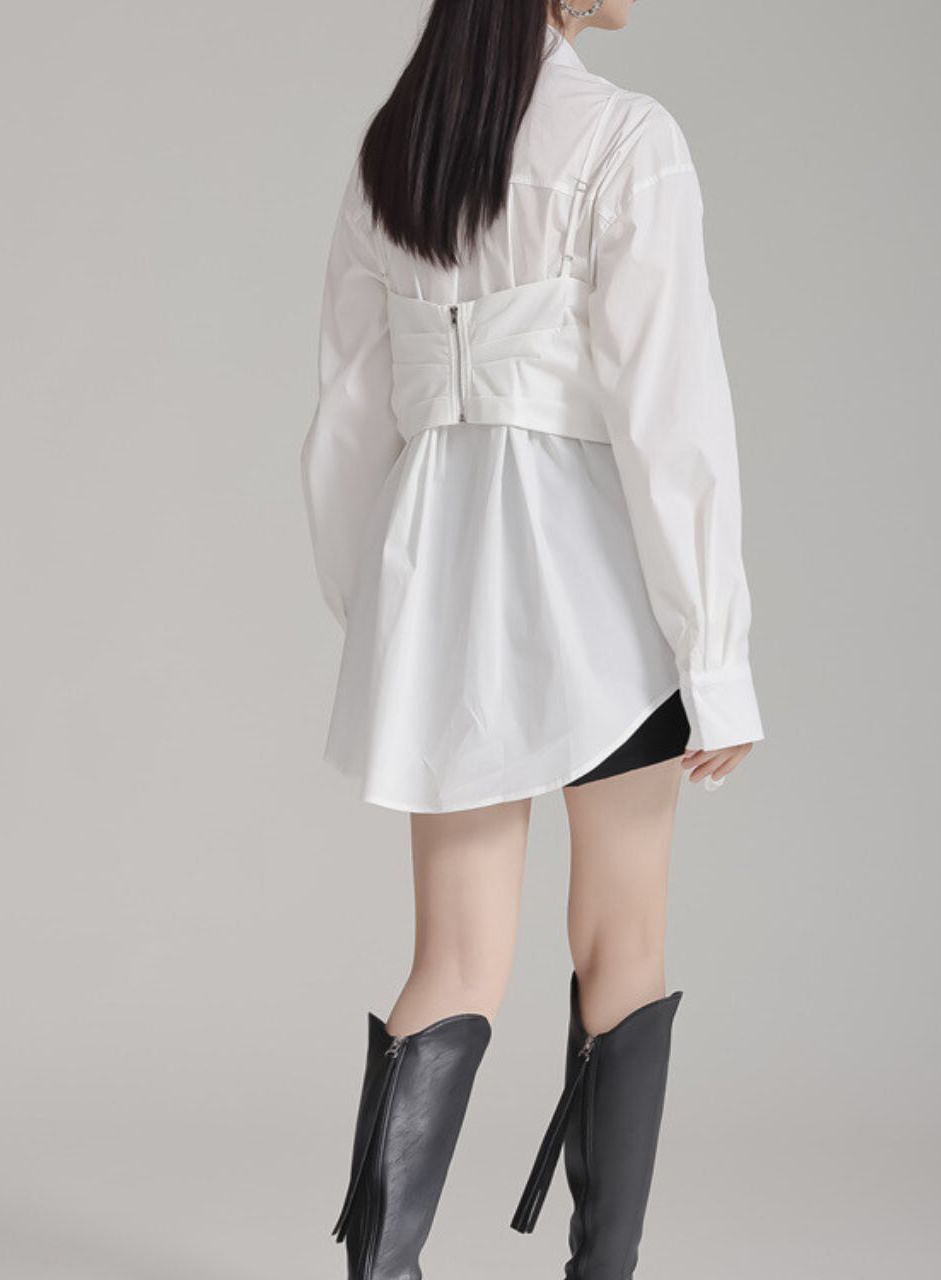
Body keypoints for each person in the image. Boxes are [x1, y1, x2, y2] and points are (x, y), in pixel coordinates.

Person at [301, 0, 765, 1275]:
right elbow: (673, 420)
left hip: (440, 588)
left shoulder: (394, 151)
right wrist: (714, 653)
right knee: (621, 946)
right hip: (597, 593)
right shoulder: (624, 140)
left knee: (451, 957)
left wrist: (379, 612)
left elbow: (347, 421)